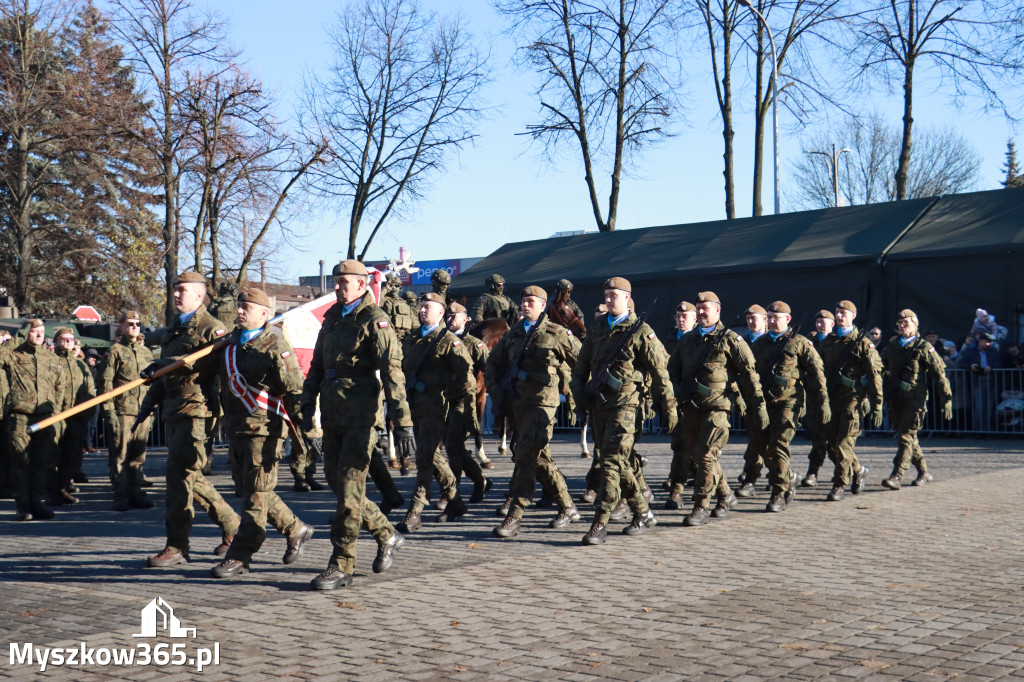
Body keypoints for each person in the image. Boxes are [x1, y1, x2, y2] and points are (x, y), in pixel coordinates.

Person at [301, 259, 413, 590]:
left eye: (345, 282)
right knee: (338, 484)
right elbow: (317, 369)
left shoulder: (374, 320)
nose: (338, 286)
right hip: (334, 414)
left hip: (362, 416)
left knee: (350, 488)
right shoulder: (333, 319)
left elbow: (393, 370)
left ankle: (341, 564)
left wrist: (402, 419)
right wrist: (308, 407)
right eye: (336, 281)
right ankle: (385, 533)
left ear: (362, 285)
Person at [212, 287, 315, 578]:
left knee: (255, 496)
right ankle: (296, 529)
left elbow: (295, 387)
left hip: (266, 429)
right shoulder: (229, 345)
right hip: (237, 428)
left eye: (248, 307)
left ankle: (241, 554)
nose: (241, 311)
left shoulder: (275, 344)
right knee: (253, 490)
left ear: (264, 314)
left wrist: (307, 430)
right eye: (240, 306)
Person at [141, 271, 241, 568]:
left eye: (182, 290)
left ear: (200, 295)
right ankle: (233, 525)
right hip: (174, 410)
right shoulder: (175, 328)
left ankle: (177, 545)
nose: (175, 294)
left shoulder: (212, 327)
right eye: (174, 289)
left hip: (197, 411)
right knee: (189, 476)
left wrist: (162, 364)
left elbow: (206, 365)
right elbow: (164, 376)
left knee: (178, 477)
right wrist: (149, 404)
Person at [571, 277, 676, 544]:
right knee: (622, 463)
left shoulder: (642, 331)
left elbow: (660, 373)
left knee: (610, 463)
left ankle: (600, 522)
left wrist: (669, 409)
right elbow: (580, 369)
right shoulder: (596, 330)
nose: (609, 300)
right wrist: (579, 396)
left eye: (614, 295)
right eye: (606, 295)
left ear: (627, 298)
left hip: (627, 406)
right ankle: (642, 512)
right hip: (599, 406)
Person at [488, 285, 581, 538]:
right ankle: (567, 506)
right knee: (540, 458)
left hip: (543, 403)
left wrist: (574, 398)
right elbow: (493, 364)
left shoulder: (557, 332)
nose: (526, 304)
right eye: (523, 300)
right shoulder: (513, 334)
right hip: (517, 404)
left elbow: (581, 364)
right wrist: (496, 392)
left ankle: (516, 514)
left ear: (543, 306)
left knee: (526, 455)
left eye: (531, 301)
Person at [669, 292, 767, 526]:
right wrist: (675, 391)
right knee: (701, 456)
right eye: (699, 308)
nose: (702, 312)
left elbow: (749, 376)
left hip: (717, 409)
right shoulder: (687, 340)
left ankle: (701, 505)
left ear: (718, 311)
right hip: (691, 408)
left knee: (705, 456)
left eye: (706, 308)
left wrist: (758, 407)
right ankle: (725, 494)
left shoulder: (731, 339)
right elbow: (671, 370)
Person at [395, 292, 474, 532]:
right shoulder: (412, 339)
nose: (422, 310)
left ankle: (414, 512)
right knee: (432, 457)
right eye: (421, 307)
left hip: (436, 410)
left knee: (424, 460)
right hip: (413, 407)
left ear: (441, 313)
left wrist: (454, 404)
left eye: (428, 307)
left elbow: (467, 379)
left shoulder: (450, 341)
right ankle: (456, 501)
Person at [746, 302, 829, 512]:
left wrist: (823, 402)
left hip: (789, 401)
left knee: (779, 445)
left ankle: (778, 493)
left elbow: (817, 373)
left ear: (788, 319)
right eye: (770, 317)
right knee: (761, 446)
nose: (773, 321)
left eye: (777, 317)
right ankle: (788, 476)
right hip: (765, 402)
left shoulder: (799, 343)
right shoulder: (760, 343)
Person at [1, 319, 68, 521]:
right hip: (20, 415)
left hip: (45, 417)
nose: (39, 335)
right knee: (20, 461)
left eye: (41, 331)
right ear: (26, 334)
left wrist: (55, 410)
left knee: (40, 461)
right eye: (34, 331)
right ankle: (23, 505)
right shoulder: (13, 354)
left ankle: (36, 502)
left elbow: (59, 384)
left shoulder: (49, 356)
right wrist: (18, 336)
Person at [817, 300, 883, 502]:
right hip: (832, 398)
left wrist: (877, 402)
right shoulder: (829, 341)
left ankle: (839, 484)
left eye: (844, 313)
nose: (839, 316)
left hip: (852, 399)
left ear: (853, 316)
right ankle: (858, 469)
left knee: (844, 442)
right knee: (832, 445)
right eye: (837, 313)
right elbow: (818, 369)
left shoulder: (863, 342)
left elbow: (874, 374)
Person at [880, 309, 953, 490]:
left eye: (907, 323)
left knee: (906, 436)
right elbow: (880, 366)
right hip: (896, 398)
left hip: (915, 399)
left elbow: (940, 374)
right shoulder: (892, 346)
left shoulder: (924, 347)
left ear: (915, 325)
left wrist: (946, 398)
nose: (903, 326)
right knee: (908, 438)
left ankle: (897, 475)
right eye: (900, 323)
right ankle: (923, 472)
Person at [103, 311, 156, 511]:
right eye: (130, 323)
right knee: (120, 455)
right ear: (122, 327)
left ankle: (135, 492)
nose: (135, 327)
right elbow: (106, 382)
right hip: (123, 410)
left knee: (138, 455)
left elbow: (153, 382)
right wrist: (110, 412)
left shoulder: (146, 353)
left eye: (137, 323)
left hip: (143, 411)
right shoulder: (116, 350)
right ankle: (120, 494)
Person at [445, 302, 491, 501]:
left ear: (465, 319)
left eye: (453, 316)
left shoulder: (475, 344)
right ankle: (480, 480)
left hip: (463, 402)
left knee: (453, 445)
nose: (449, 319)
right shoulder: (439, 340)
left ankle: (450, 494)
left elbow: (490, 370)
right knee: (452, 447)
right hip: (441, 401)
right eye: (447, 316)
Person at [51, 327, 96, 506]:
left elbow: (89, 389)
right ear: (56, 341)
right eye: (64, 338)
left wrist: (89, 411)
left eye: (71, 338)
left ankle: (63, 485)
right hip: (57, 416)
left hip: (77, 417)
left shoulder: (80, 365)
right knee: (54, 456)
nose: (68, 341)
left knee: (72, 456)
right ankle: (54, 491)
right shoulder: (52, 361)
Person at [663, 301, 697, 508]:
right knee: (680, 445)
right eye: (678, 316)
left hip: (699, 401)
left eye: (685, 316)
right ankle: (677, 485)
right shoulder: (668, 340)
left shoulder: (703, 340)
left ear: (694, 319)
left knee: (702, 448)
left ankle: (707, 485)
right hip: (675, 400)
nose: (681, 319)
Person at [801, 310, 835, 487]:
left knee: (835, 440)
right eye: (818, 322)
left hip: (835, 396)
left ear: (832, 324)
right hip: (813, 395)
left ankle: (851, 470)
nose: (820, 325)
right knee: (819, 436)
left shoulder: (838, 341)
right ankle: (813, 472)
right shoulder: (809, 342)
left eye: (825, 322)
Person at [736, 304, 767, 491]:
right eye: (748, 319)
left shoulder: (773, 341)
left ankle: (752, 476)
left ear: (764, 319)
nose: (751, 322)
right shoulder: (742, 341)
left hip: (769, 397)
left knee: (762, 438)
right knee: (755, 436)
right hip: (749, 397)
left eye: (755, 318)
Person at [957, 331, 1001, 432]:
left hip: (991, 381)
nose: (989, 344)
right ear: (980, 341)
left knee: (989, 407)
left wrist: (991, 367)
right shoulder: (970, 351)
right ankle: (978, 430)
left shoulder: (993, 351)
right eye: (987, 341)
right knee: (979, 407)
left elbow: (999, 363)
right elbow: (961, 364)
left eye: (990, 342)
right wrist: (971, 366)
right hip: (977, 381)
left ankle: (988, 430)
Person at [379, 273, 416, 342]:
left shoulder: (404, 303)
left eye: (396, 286)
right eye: (391, 285)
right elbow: (377, 302)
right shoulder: (383, 300)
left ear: (400, 288)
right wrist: (385, 288)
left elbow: (414, 324)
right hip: (388, 338)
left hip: (404, 339)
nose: (394, 288)